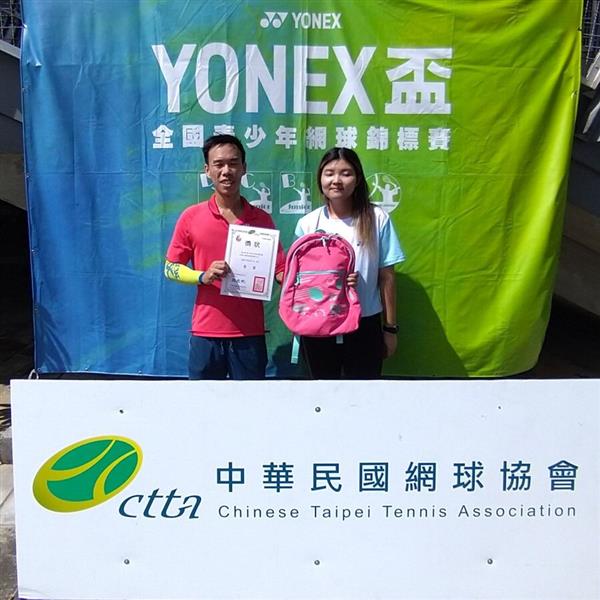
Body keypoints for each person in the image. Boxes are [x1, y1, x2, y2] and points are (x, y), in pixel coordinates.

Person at [164, 134, 284, 380]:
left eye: (233, 163)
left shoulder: (262, 219)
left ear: (244, 168)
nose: (226, 171)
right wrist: (202, 276)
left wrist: (312, 283)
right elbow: (170, 267)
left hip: (249, 334)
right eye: (218, 164)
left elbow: (280, 270)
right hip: (205, 334)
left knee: (251, 402)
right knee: (203, 403)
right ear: (207, 170)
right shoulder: (191, 217)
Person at [294, 147, 405, 379]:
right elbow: (299, 280)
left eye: (346, 173)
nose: (336, 180)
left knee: (363, 394)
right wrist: (330, 282)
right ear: (320, 179)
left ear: (358, 179)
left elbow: (387, 277)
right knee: (322, 393)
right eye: (329, 173)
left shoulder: (377, 219)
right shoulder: (308, 224)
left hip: (364, 324)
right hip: (318, 324)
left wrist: (390, 328)